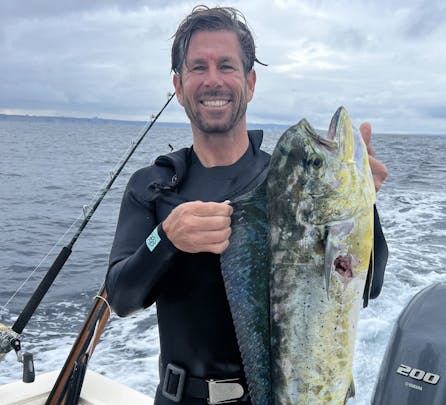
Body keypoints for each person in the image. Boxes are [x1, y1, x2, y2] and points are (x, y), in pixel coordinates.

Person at [105, 5, 388, 405]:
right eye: (197, 68)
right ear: (179, 86)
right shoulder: (152, 186)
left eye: (227, 66)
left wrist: (362, 206)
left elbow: (367, 286)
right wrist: (165, 239)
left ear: (250, 82)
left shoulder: (292, 188)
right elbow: (119, 297)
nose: (213, 80)